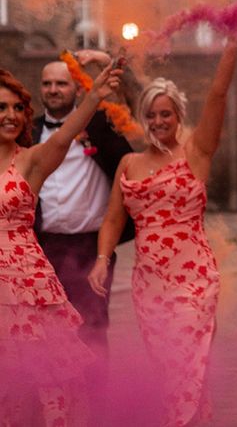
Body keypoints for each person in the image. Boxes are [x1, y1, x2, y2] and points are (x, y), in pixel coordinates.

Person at [88, 39, 237, 426]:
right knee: (174, 372)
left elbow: (218, 94)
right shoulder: (129, 162)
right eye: (151, 115)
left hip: (194, 281)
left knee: (185, 363)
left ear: (178, 116)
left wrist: (233, 43)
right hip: (149, 285)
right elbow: (111, 221)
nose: (158, 122)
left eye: (166, 115)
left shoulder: (196, 152)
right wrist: (102, 261)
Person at [0, 64, 121, 424]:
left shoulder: (31, 160)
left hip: (26, 282)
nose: (10, 116)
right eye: (1, 108)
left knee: (39, 373)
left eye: (17, 108)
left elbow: (65, 135)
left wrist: (95, 95)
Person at [33, 51, 134, 367]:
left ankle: (94, 406)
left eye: (61, 83)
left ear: (77, 89)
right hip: (41, 247)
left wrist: (106, 59)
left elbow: (132, 100)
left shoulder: (100, 126)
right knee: (43, 330)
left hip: (90, 247)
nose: (53, 89)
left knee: (91, 327)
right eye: (47, 84)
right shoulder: (28, 132)